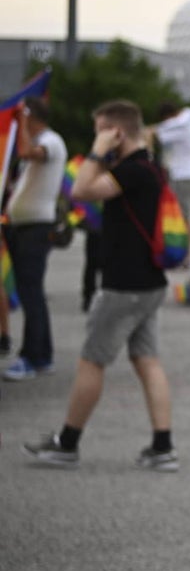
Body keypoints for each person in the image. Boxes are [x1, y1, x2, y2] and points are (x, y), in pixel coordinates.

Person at [23, 100, 178, 471]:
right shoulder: (152, 167)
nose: (98, 138)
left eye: (101, 131)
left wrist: (97, 151)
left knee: (92, 361)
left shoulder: (133, 170)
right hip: (149, 282)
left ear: (116, 133)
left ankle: (67, 443)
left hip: (123, 285)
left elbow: (81, 190)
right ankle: (162, 446)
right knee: (147, 360)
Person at [3, 98, 67, 382]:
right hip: (24, 226)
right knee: (32, 292)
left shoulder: (51, 141)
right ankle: (42, 355)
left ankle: (32, 357)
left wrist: (21, 122)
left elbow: (28, 152)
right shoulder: (45, 140)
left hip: (35, 228)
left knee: (31, 294)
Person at [153, 102, 190, 251]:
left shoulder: (181, 126)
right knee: (184, 214)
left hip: (184, 175)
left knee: (182, 215)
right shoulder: (189, 120)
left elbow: (160, 134)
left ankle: (187, 252)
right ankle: (186, 251)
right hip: (189, 173)